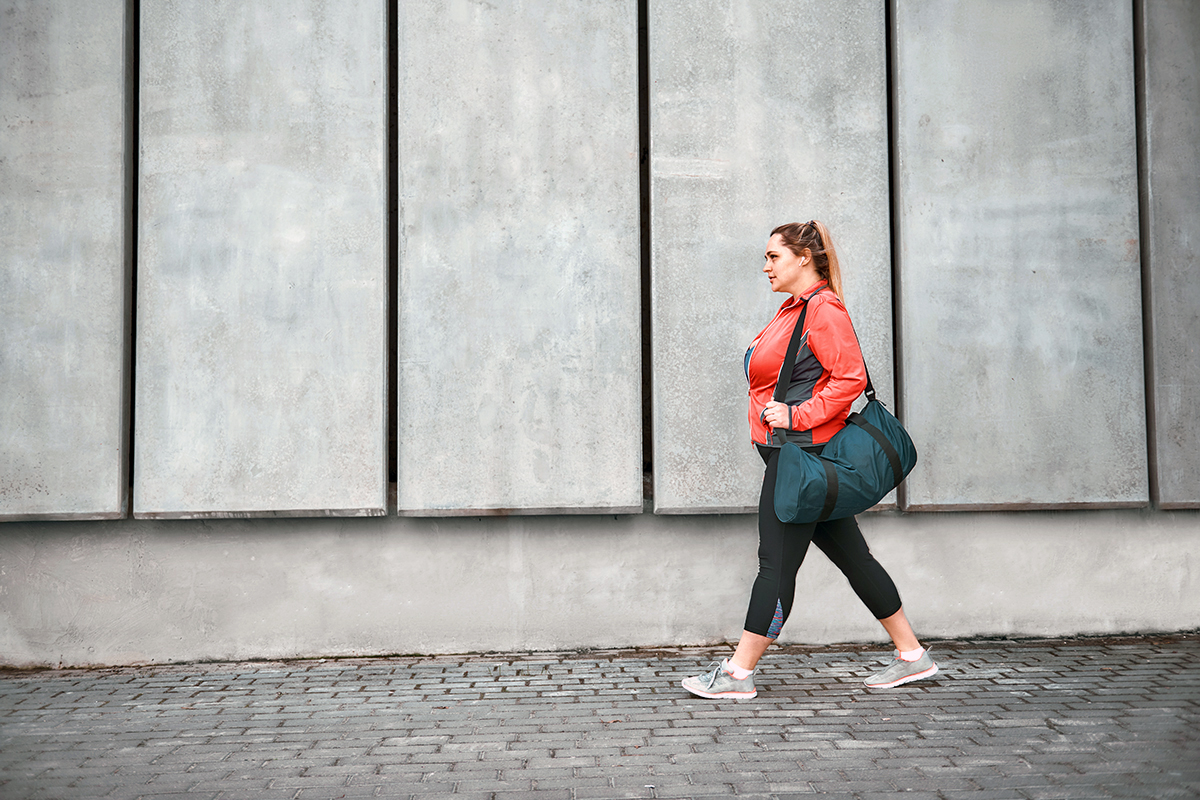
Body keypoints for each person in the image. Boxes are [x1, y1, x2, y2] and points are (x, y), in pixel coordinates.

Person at [682, 220, 937, 699]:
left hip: (801, 460)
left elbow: (851, 379)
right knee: (855, 558)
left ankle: (738, 674)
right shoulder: (792, 310)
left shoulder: (823, 310)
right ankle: (911, 655)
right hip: (796, 457)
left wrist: (798, 415)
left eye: (774, 256)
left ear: (804, 257)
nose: (766, 266)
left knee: (774, 566)